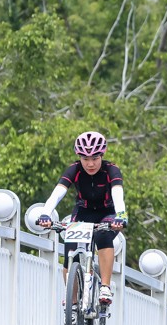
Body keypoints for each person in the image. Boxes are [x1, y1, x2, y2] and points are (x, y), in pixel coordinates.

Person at [36, 131, 128, 305]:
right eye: (85, 159)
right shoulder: (74, 169)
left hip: (108, 213)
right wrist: (46, 213)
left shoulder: (111, 170)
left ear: (102, 155)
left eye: (94, 158)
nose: (90, 163)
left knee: (102, 236)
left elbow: (117, 193)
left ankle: (105, 287)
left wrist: (121, 216)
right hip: (84, 211)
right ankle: (73, 300)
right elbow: (58, 192)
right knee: (71, 251)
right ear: (79, 157)